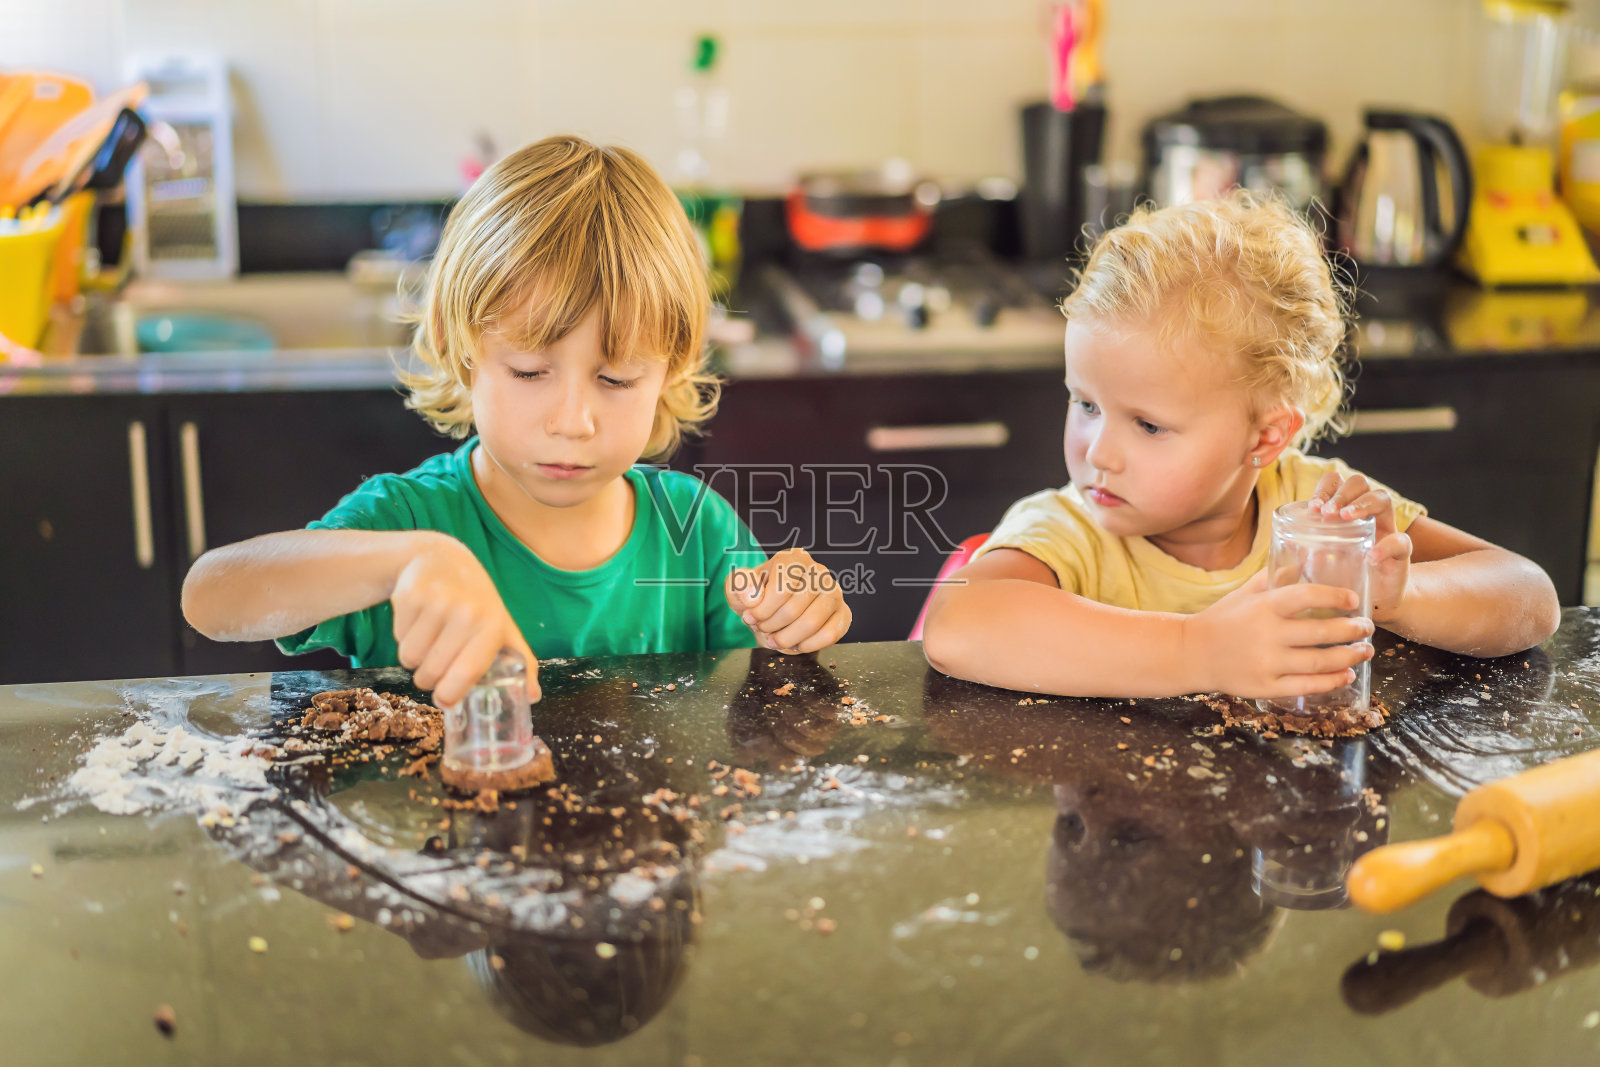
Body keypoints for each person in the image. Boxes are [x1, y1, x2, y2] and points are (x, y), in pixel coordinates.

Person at [183, 136, 851, 707]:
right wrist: (411, 562)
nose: (572, 420)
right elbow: (211, 595)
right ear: (460, 349)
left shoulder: (696, 535)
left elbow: (759, 716)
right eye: (531, 372)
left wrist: (788, 624)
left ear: (671, 371)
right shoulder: (411, 521)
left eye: (616, 379)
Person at [921, 190, 1560, 700]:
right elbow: (958, 624)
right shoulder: (1069, 531)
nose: (1098, 453)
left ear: (1267, 435)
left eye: (1148, 425)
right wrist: (1198, 651)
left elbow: (1529, 597)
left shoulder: (1317, 514)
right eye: (1086, 404)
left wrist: (1399, 597)